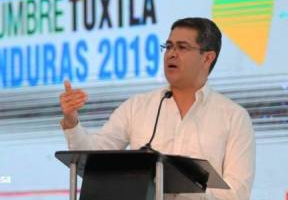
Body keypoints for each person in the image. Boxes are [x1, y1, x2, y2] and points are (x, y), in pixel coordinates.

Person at [59, 17, 255, 200]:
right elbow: (94, 158)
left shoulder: (234, 117)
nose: (171, 53)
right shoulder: (138, 107)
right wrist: (71, 121)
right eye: (168, 46)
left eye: (182, 47)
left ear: (207, 58)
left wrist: (183, 191)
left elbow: (238, 192)